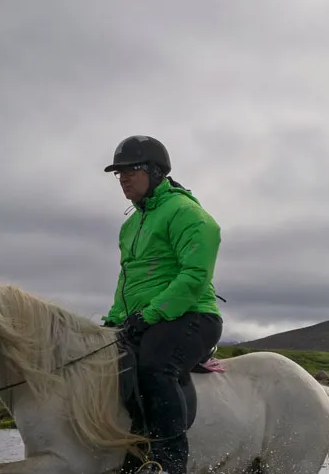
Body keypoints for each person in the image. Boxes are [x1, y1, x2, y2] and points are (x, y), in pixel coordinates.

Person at [102, 135, 225, 474]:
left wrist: (152, 314)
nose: (124, 178)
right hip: (146, 318)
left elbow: (195, 275)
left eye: (132, 169)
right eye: (119, 173)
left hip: (192, 315)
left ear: (156, 172)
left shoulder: (188, 214)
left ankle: (168, 463)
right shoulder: (130, 225)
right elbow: (128, 282)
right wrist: (113, 321)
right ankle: (135, 447)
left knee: (155, 367)